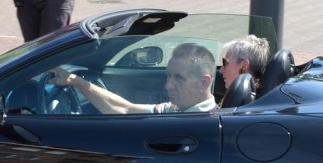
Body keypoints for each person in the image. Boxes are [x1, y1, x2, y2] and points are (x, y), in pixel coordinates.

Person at [52, 43, 217, 114]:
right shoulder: (176, 109)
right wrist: (75, 81)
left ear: (204, 83)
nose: (168, 85)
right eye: (168, 76)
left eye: (179, 78)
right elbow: (125, 109)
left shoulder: (208, 125)